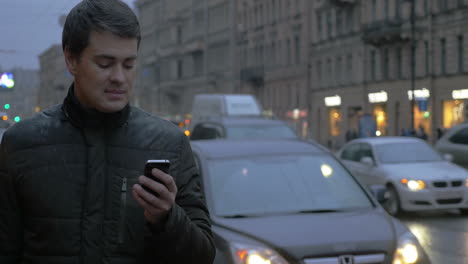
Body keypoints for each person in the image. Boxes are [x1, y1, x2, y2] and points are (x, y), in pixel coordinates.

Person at [0, 1, 215, 263]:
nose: (119, 78)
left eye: (128, 64)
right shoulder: (21, 144)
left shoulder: (169, 144)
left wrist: (167, 218)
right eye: (105, 64)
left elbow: (203, 255)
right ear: (71, 60)